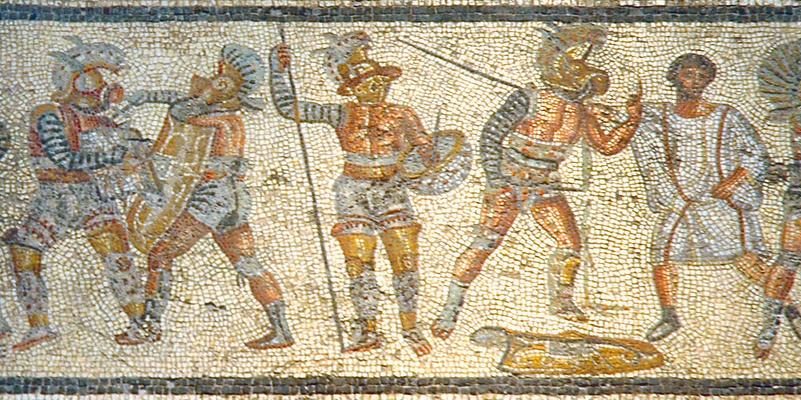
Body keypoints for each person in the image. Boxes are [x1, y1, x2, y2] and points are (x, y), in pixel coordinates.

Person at [431, 24, 643, 340]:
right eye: (576, 61)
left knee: (570, 243)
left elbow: (607, 146)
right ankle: (449, 311)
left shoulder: (583, 111)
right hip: (509, 181)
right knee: (486, 242)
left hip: (546, 185)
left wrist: (632, 120)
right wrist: (496, 179)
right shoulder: (528, 98)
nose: (583, 71)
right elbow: (491, 135)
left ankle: (562, 302)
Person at [269, 32, 436, 357]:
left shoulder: (403, 113)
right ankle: (368, 329)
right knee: (359, 263)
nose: (378, 88)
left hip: (393, 190)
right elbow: (290, 108)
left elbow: (425, 149)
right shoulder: (342, 113)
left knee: (404, 260)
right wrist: (278, 72)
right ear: (354, 87)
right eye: (369, 83)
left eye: (381, 82)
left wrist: (428, 153)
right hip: (352, 192)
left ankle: (410, 327)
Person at [127, 44, 294, 350]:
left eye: (221, 78)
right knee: (247, 263)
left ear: (229, 87)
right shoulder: (228, 117)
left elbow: (181, 111)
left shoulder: (222, 120)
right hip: (234, 198)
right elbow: (183, 103)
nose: (212, 80)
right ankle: (281, 330)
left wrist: (206, 94)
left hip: (213, 197)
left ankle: (150, 326)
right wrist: (149, 96)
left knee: (160, 255)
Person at [2, 37, 151, 351]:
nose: (104, 89)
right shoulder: (48, 114)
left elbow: (122, 161)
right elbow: (64, 159)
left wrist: (134, 152)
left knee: (117, 255)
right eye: (96, 80)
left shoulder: (103, 121)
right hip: (56, 198)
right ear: (76, 82)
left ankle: (141, 324)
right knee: (26, 252)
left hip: (91, 196)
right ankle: (39, 327)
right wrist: (116, 156)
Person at [631, 53, 772, 342]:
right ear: (675, 77)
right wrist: (631, 113)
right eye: (688, 74)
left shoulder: (725, 115)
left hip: (722, 200)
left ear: (709, 81)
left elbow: (756, 153)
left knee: (745, 260)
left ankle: (788, 305)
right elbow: (634, 127)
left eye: (701, 77)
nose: (695, 82)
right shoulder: (658, 115)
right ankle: (669, 315)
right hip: (681, 199)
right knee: (662, 254)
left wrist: (733, 181)